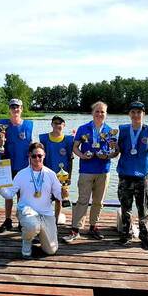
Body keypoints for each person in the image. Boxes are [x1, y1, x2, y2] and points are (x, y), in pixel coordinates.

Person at [0, 142, 67, 259]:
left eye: (40, 156)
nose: (37, 158)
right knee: (32, 225)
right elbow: (9, 194)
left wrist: (64, 193)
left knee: (51, 250)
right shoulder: (21, 174)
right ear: (29, 156)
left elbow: (59, 195)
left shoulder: (51, 174)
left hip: (45, 214)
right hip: (26, 211)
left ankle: (39, 232)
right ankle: (27, 241)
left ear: (44, 156)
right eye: (34, 156)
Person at [63, 101, 117, 242]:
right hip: (86, 170)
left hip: (103, 170)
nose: (99, 114)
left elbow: (115, 151)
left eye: (102, 112)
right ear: (92, 113)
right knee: (82, 200)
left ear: (106, 114)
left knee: (98, 201)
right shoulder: (83, 128)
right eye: (97, 111)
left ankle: (93, 226)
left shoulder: (110, 131)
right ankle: (75, 229)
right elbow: (75, 147)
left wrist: (107, 155)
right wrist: (81, 155)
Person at [115, 101, 148, 250]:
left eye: (139, 112)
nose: (136, 115)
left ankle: (145, 237)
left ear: (143, 114)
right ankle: (125, 235)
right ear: (129, 114)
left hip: (142, 175)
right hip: (125, 174)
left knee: (143, 208)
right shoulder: (123, 130)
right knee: (125, 207)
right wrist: (113, 145)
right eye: (133, 112)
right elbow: (118, 150)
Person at [0, 98, 33, 233]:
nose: (15, 110)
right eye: (12, 107)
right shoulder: (2, 125)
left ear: (21, 109)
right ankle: (7, 220)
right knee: (7, 194)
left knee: (21, 195)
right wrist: (1, 138)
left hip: (22, 164)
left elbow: (31, 146)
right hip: (6, 164)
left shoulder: (28, 125)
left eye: (17, 107)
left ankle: (21, 221)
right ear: (9, 109)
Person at [39, 115, 74, 223]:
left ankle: (55, 220)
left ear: (64, 125)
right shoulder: (44, 138)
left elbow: (71, 159)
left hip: (62, 176)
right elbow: (39, 158)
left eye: (60, 123)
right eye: (55, 123)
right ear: (51, 124)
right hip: (47, 174)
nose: (57, 125)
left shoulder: (69, 140)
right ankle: (44, 219)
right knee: (45, 199)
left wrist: (70, 177)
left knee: (59, 199)